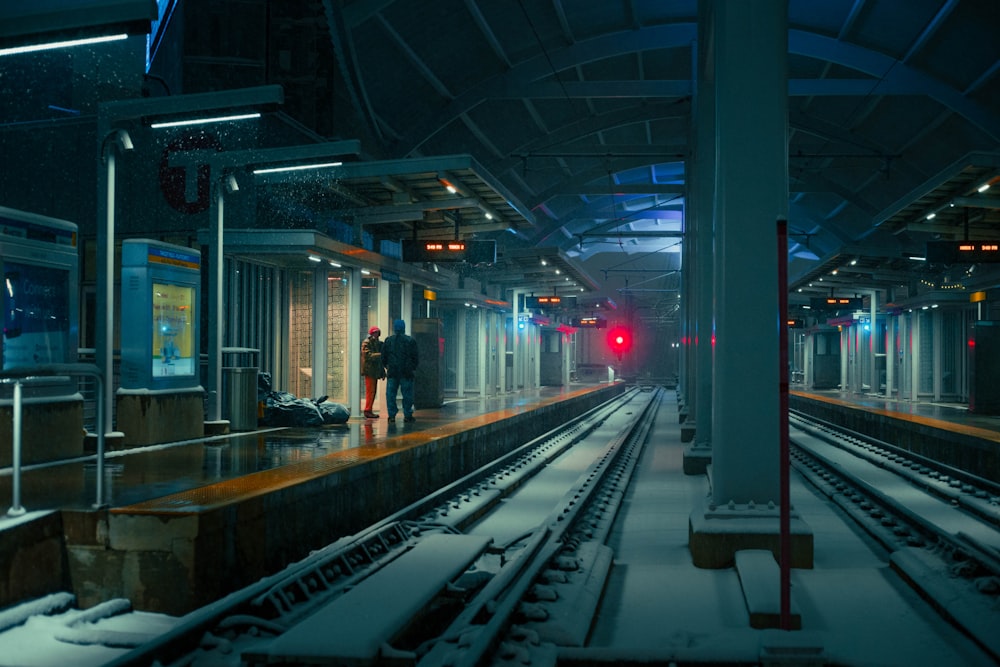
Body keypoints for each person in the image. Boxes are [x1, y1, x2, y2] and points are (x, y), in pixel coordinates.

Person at [381, 318, 419, 422]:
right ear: (404, 328)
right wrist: (413, 368)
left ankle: (392, 415)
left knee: (390, 394)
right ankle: (407, 414)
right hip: (406, 372)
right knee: (407, 394)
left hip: (393, 371)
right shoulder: (410, 340)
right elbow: (415, 357)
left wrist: (387, 366)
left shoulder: (388, 340)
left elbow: (383, 356)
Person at [360, 326, 384, 418]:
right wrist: (380, 355)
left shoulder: (376, 343)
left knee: (372, 392)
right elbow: (368, 355)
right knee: (370, 391)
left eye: (377, 333)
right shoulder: (367, 343)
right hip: (369, 371)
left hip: (373, 371)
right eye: (375, 333)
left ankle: (369, 409)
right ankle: (367, 410)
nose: (376, 335)